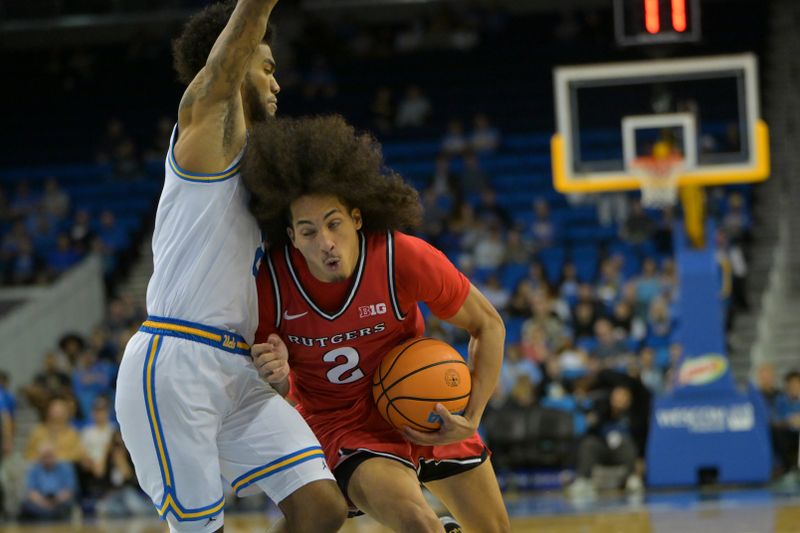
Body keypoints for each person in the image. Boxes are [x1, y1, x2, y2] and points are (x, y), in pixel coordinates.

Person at [114, 2, 347, 533]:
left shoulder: (259, 175)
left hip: (239, 370)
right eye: (267, 66)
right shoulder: (203, 134)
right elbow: (230, 53)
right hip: (177, 364)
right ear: (235, 58)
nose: (277, 83)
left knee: (321, 508)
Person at [243, 115, 511, 532]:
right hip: (346, 425)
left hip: (426, 402)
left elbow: (488, 325)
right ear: (291, 237)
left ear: (356, 217)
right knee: (417, 523)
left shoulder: (400, 256)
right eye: (308, 231)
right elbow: (273, 392)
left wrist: (473, 415)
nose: (326, 242)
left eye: (333, 223)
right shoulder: (270, 285)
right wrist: (274, 375)